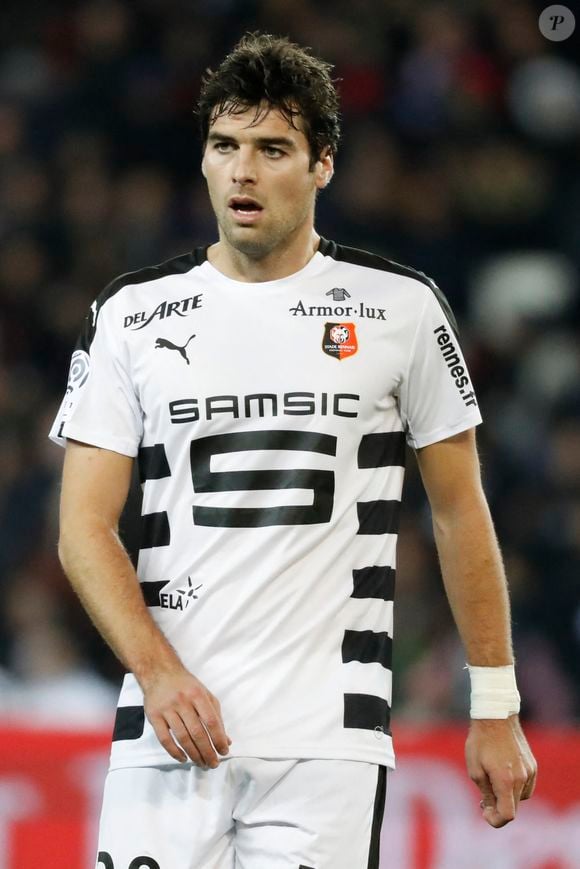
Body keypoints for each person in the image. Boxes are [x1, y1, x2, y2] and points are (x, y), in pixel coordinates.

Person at [51, 32, 537, 869]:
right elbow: (82, 530)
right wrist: (158, 673)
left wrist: (495, 703)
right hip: (166, 732)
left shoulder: (401, 309)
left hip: (330, 741)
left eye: (273, 148)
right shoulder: (132, 314)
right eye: (224, 146)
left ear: (324, 166)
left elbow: (461, 511)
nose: (243, 171)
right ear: (203, 161)